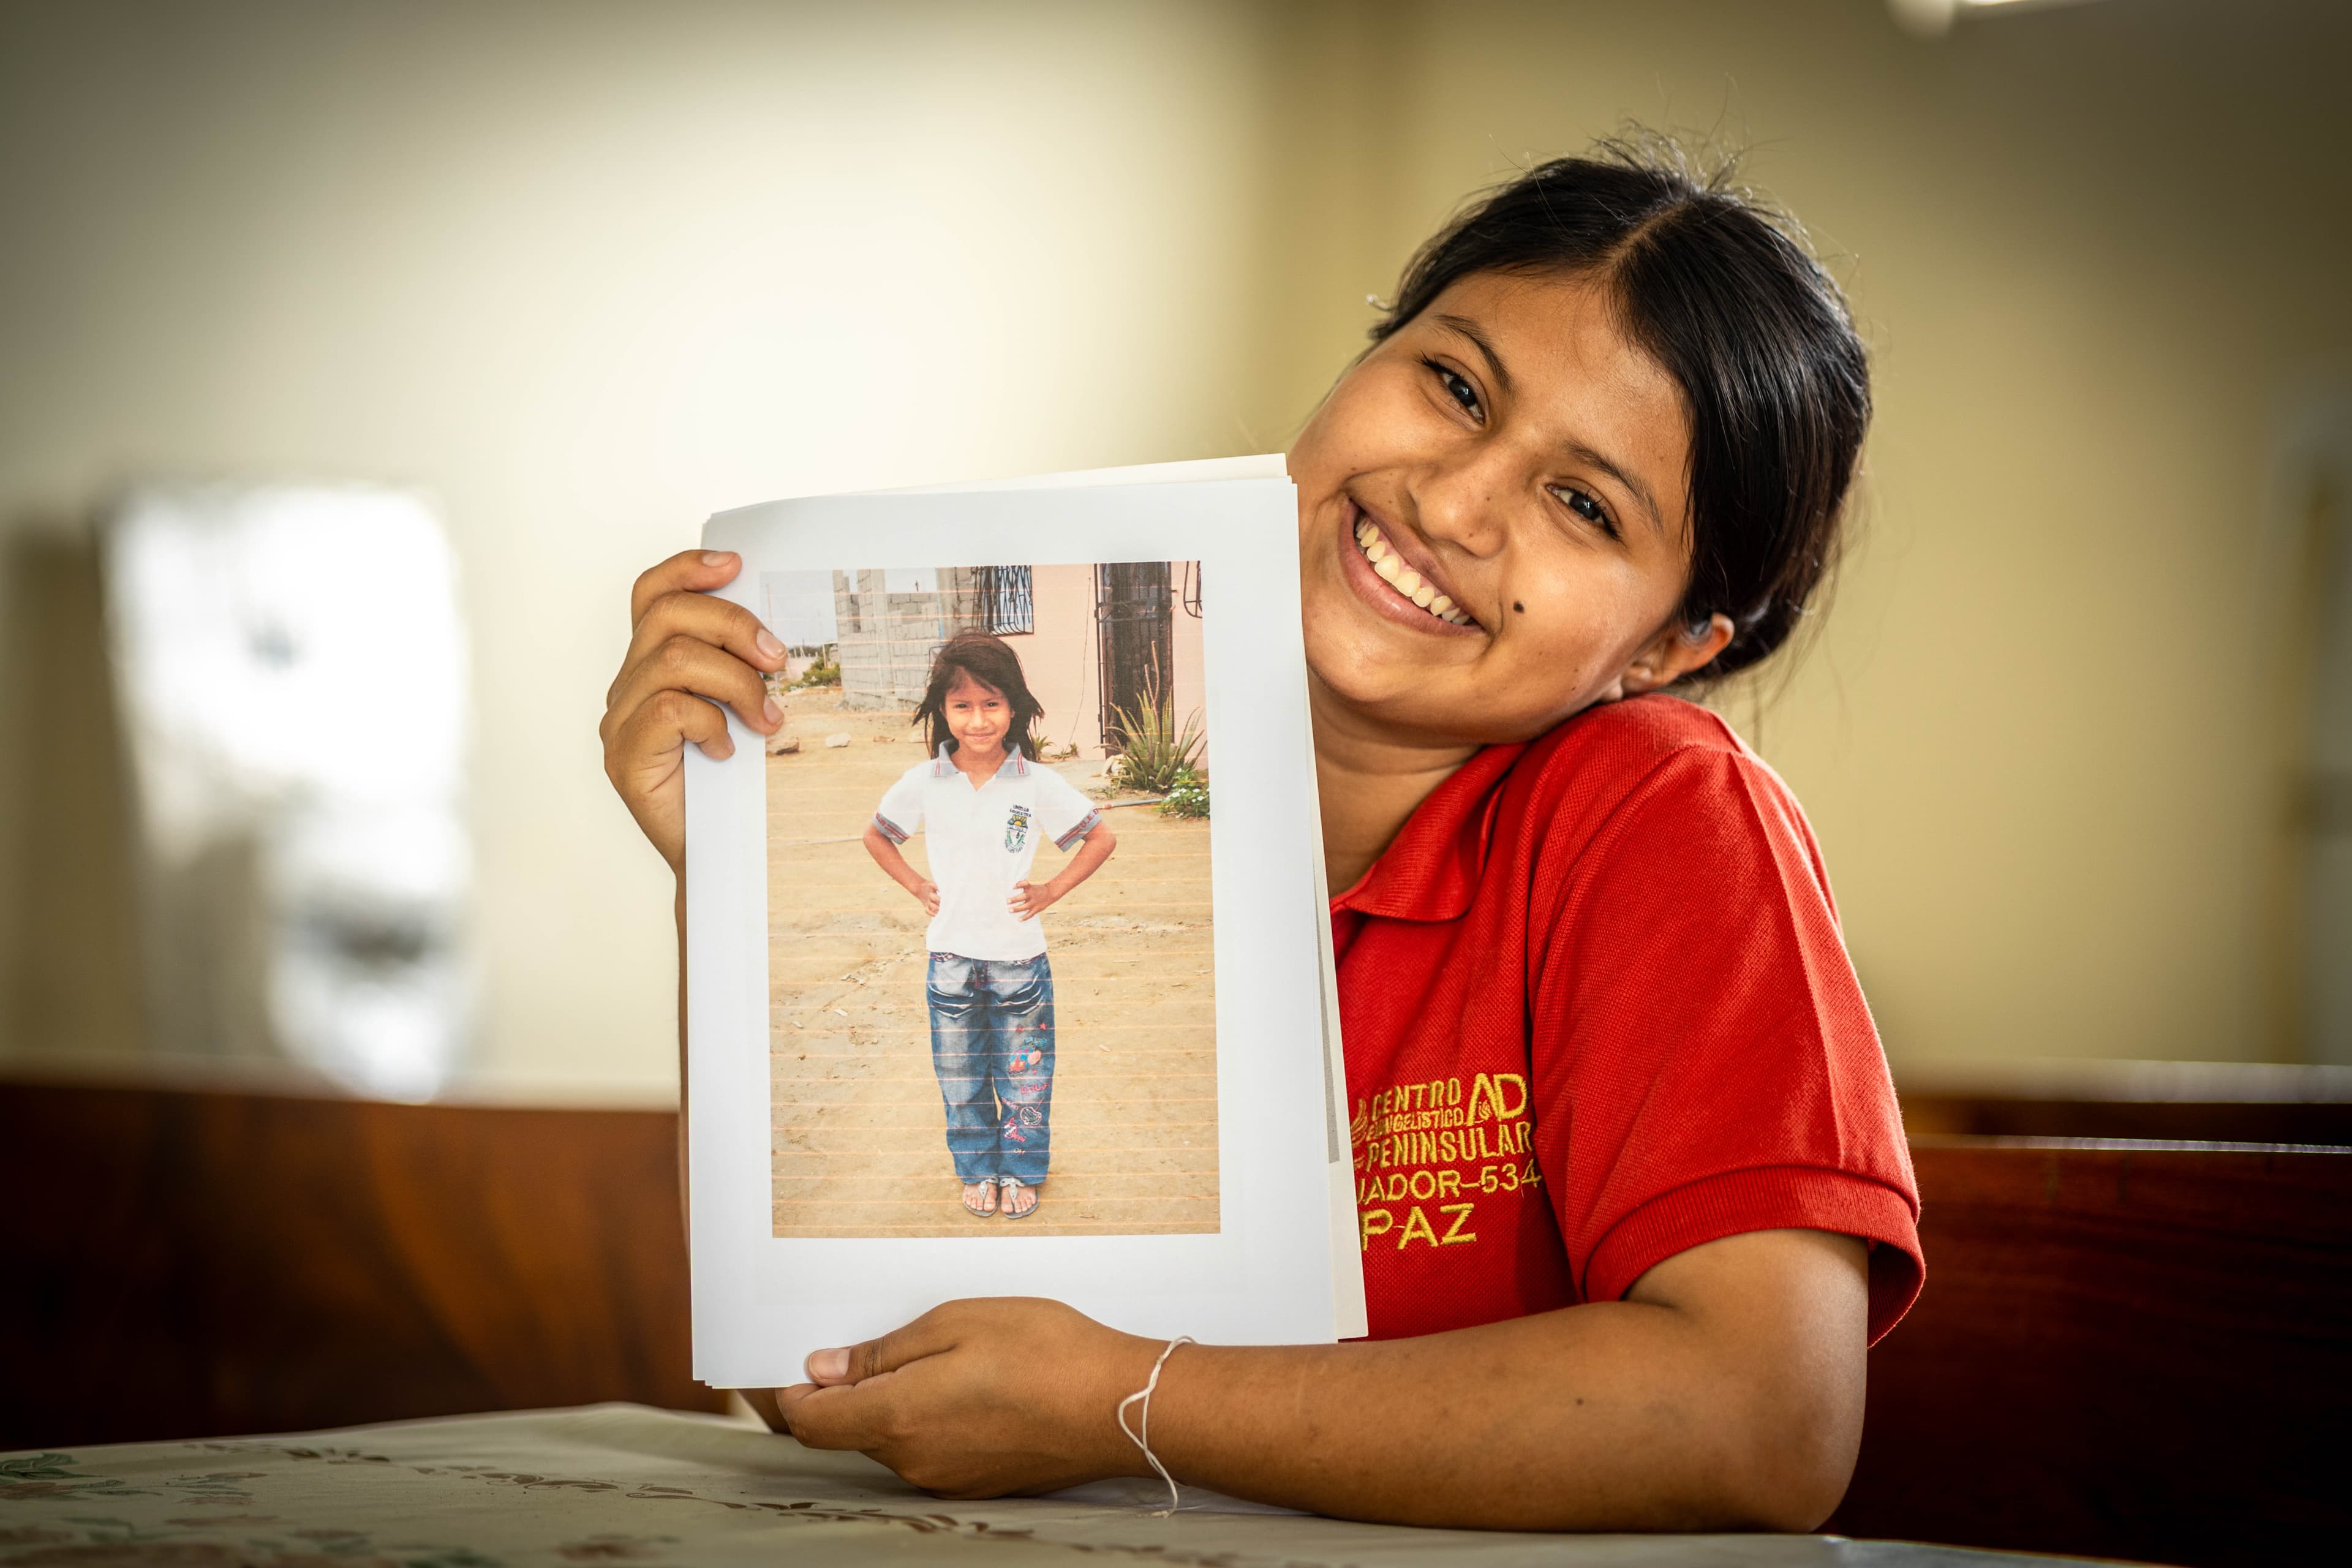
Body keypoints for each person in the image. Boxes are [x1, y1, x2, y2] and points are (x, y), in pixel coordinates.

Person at [600, 137, 1919, 1531]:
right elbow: (828, 1376)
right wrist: (730, 877)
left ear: (1669, 642)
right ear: (1367, 356)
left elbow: (1763, 1416)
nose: (1454, 502)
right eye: (1454, 386)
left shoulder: (1657, 812)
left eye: (1583, 504)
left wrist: (1125, 1396)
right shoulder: (1126, 774)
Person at [860, 631, 1115, 1222]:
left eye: (992, 703)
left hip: (1019, 961)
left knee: (1026, 1075)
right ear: (942, 711)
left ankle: (1021, 1172)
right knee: (961, 1076)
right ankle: (977, 1173)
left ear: (1015, 708)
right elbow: (878, 835)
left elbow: (1100, 836)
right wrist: (917, 885)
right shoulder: (924, 781)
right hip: (948, 960)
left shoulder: (1035, 784)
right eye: (963, 705)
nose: (978, 720)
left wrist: (1051, 890)